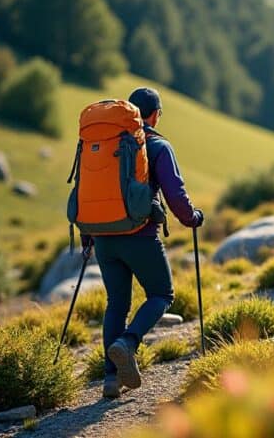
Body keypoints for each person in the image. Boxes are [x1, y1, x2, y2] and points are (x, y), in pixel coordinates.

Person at [82, 87, 204, 399]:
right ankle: (129, 342)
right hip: (139, 235)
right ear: (153, 115)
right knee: (162, 294)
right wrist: (192, 218)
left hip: (104, 236)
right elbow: (175, 194)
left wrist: (89, 236)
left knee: (116, 304)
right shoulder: (158, 146)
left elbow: (89, 191)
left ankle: (111, 380)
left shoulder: (104, 143)